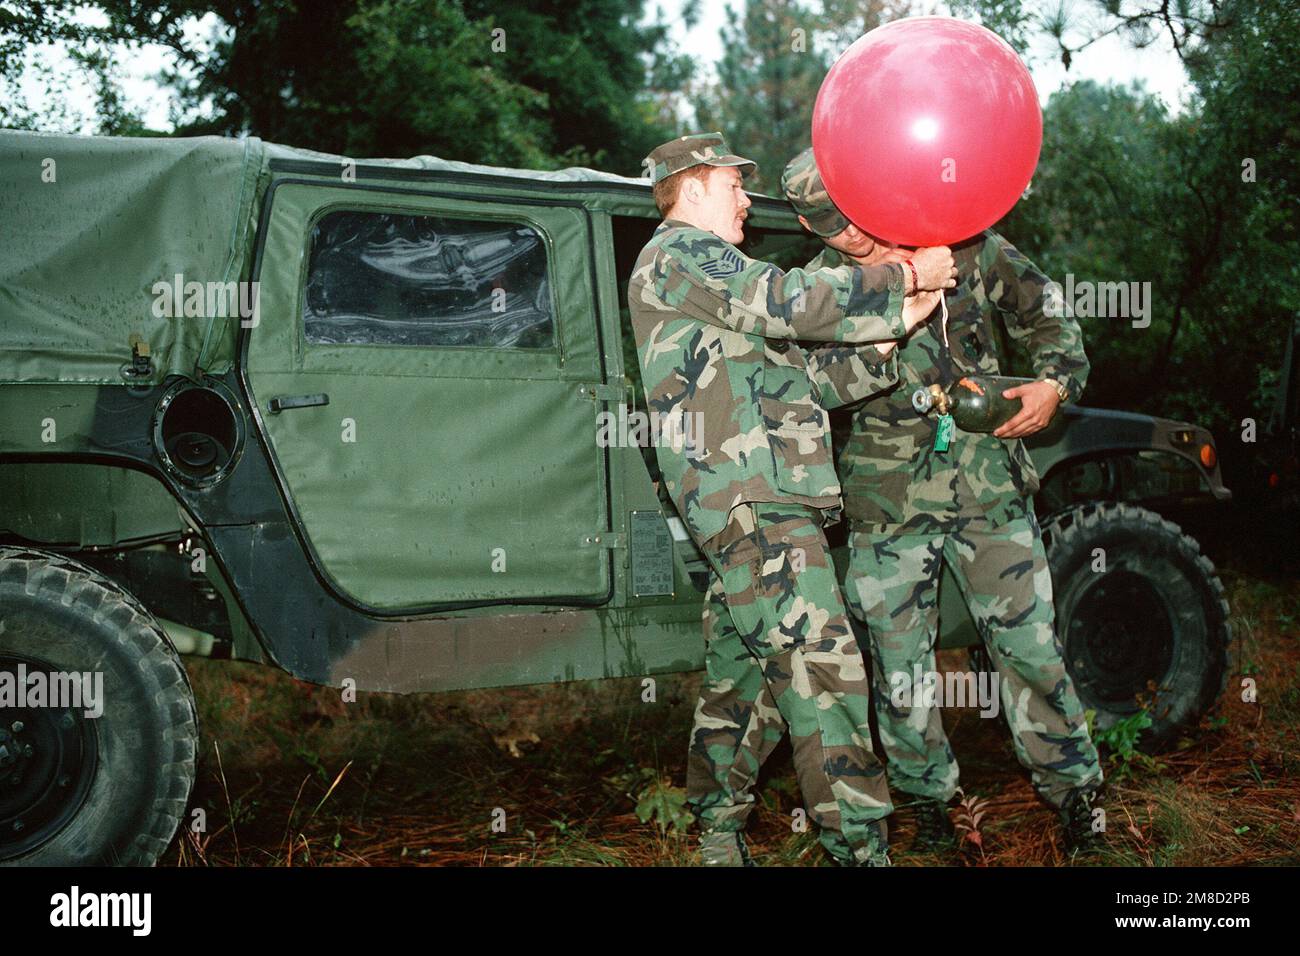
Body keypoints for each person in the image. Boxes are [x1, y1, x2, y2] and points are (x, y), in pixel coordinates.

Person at [628, 132, 955, 866]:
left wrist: (894, 331)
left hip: (754, 507)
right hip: (754, 507)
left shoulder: (716, 285)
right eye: (734, 183)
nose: (747, 197)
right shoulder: (679, 253)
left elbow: (809, 383)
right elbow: (785, 300)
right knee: (827, 678)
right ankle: (861, 853)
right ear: (694, 187)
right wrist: (903, 274)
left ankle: (716, 832)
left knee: (749, 680)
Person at [780, 147, 1105, 857]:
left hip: (987, 485)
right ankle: (929, 802)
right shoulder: (817, 287)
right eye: (829, 227)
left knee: (1030, 651)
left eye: (851, 213)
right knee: (902, 672)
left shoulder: (961, 239)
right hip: (886, 503)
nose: (850, 236)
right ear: (808, 227)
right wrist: (897, 310)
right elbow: (820, 389)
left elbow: (1047, 311)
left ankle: (1077, 793)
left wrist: (1054, 383)